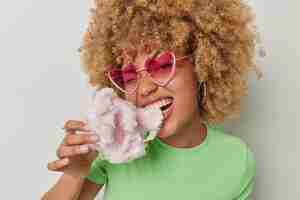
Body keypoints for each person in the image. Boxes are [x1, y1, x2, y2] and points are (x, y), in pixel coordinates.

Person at [42, 0, 262, 199]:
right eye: (129, 76)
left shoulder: (237, 160)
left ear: (202, 66)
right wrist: (73, 176)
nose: (144, 88)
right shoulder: (117, 145)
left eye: (163, 66)